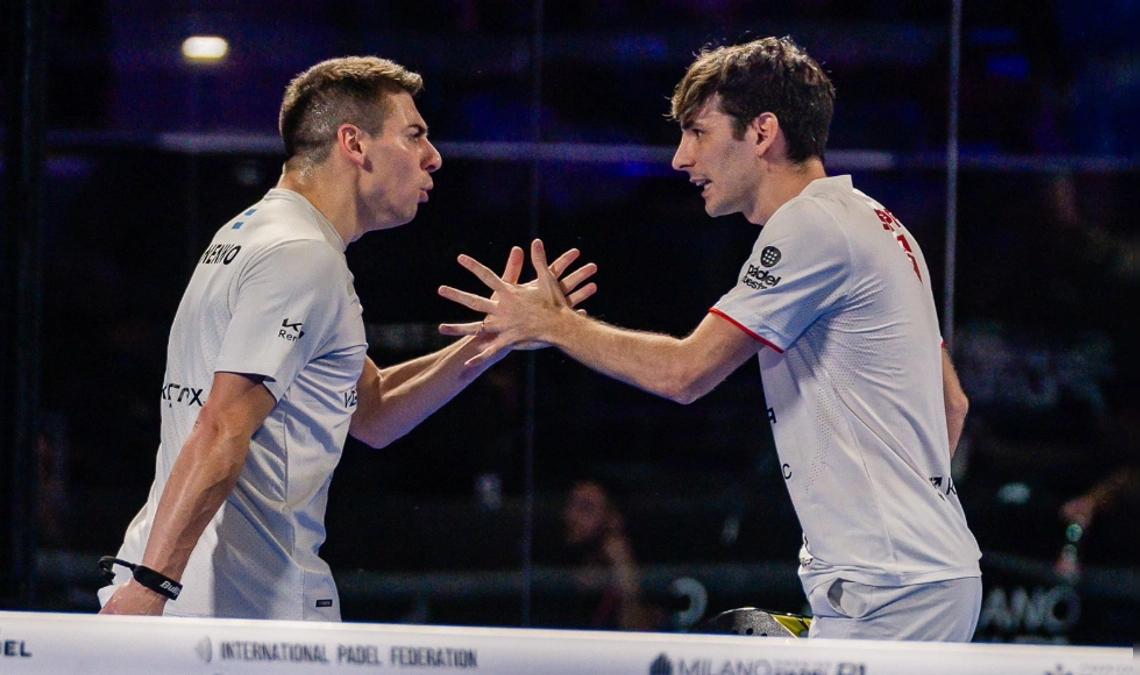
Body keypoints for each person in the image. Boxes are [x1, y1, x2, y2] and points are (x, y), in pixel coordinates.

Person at [439, 37, 982, 641]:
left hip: (892, 587)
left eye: (697, 132)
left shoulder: (810, 225)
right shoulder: (882, 224)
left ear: (762, 132)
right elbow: (951, 404)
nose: (679, 158)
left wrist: (555, 324)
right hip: (916, 576)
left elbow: (684, 373)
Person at [98, 56, 597, 621]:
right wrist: (150, 586)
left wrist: (495, 338)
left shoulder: (259, 232)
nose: (433, 157)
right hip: (240, 605)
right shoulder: (301, 257)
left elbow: (373, 411)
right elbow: (221, 423)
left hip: (202, 588)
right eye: (414, 136)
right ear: (354, 144)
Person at [560, 479, 664, 631]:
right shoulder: (560, 565)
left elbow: (635, 634)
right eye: (569, 506)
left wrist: (623, 566)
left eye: (585, 508)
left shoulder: (646, 573)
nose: (570, 517)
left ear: (614, 519)